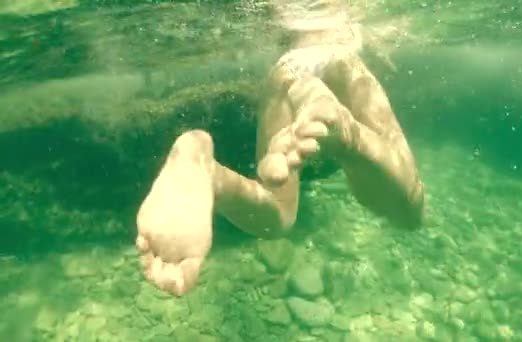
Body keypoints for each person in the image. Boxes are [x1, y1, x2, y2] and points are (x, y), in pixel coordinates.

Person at [134, 0, 425, 296]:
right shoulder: (353, 43)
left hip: (289, 69)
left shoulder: (282, 54)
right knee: (410, 208)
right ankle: (346, 134)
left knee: (278, 216)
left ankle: (204, 166)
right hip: (342, 61)